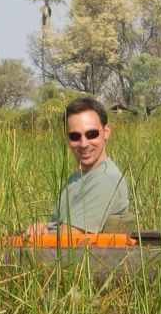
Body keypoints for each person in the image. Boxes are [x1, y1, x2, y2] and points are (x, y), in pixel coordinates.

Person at [26, 97, 132, 236]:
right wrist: (42, 227)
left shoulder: (106, 179)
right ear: (67, 139)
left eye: (91, 134)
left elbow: (69, 236)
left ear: (106, 132)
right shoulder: (77, 177)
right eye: (75, 136)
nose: (84, 144)